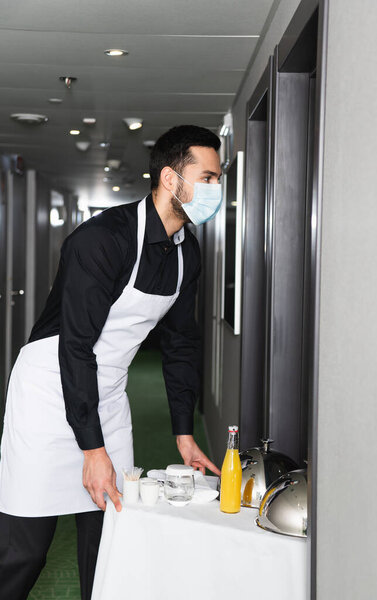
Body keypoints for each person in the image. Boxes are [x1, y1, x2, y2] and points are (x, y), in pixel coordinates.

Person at [0, 125, 223, 600]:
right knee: (26, 548)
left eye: (217, 179)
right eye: (206, 178)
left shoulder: (189, 255)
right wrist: (92, 451)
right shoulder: (101, 239)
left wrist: (184, 432)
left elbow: (182, 343)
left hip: (108, 389)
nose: (215, 190)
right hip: (48, 388)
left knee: (111, 537)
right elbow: (75, 347)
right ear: (170, 178)